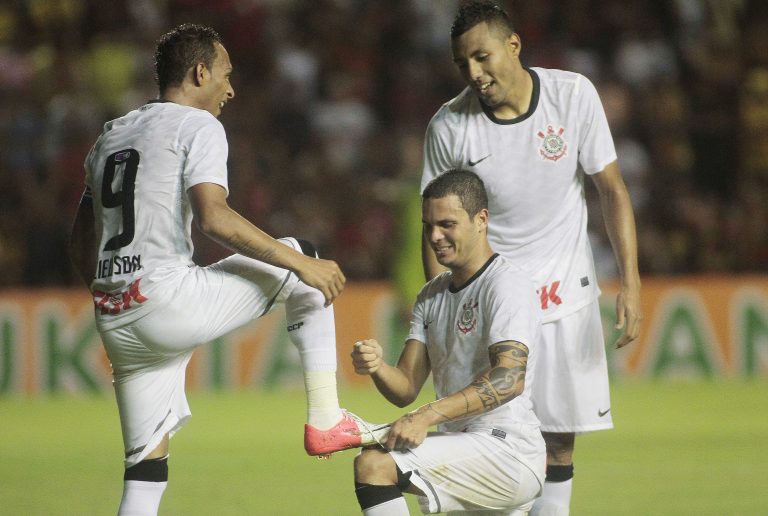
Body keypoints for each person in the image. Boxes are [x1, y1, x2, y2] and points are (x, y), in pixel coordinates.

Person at [68, 24, 386, 516]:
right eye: (226, 74)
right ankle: (326, 417)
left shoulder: (111, 135)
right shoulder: (198, 126)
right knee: (305, 255)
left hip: (115, 316)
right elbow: (214, 217)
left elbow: (82, 235)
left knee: (144, 475)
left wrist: (108, 289)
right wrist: (301, 262)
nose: (231, 88)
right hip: (167, 299)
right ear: (200, 73)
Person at [420, 2, 642, 515]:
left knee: (559, 443)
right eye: (463, 64)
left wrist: (630, 281)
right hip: (490, 306)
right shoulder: (449, 127)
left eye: (482, 57)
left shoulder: (572, 96)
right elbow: (435, 230)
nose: (474, 73)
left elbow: (610, 187)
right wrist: (439, 323)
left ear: (513, 46)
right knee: (485, 438)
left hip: (565, 297)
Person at [351, 169, 546, 515]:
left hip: (506, 449)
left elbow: (508, 379)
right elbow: (406, 388)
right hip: (465, 445)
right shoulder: (431, 295)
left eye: (447, 224)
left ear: (481, 219)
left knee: (374, 466)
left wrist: (426, 416)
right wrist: (377, 367)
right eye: (428, 225)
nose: (435, 236)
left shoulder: (505, 285)